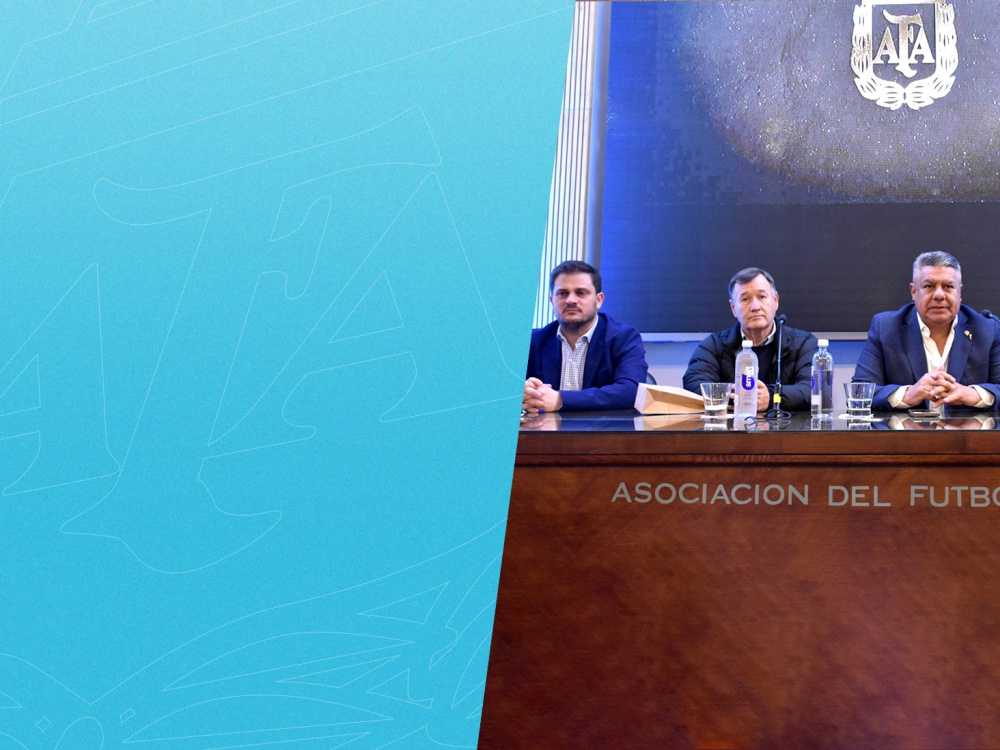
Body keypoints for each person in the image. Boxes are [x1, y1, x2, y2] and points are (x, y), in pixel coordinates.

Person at [853, 251, 1000, 411]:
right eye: (929, 286)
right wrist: (907, 394)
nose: (939, 295)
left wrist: (973, 394)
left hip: (967, 428)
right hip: (908, 428)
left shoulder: (987, 329)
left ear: (959, 292)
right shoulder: (886, 328)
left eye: (948, 286)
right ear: (913, 291)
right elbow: (859, 393)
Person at [682, 267, 818, 412]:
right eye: (745, 299)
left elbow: (813, 388)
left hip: (788, 426)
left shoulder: (804, 343)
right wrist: (737, 396)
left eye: (762, 297)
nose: (755, 307)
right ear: (733, 308)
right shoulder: (714, 345)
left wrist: (772, 397)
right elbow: (694, 383)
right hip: (734, 425)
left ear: (775, 301)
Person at [523, 260, 648, 412]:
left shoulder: (623, 338)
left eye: (581, 293)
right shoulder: (534, 341)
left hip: (601, 427)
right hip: (544, 427)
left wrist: (561, 400)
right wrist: (523, 394)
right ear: (552, 301)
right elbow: (505, 390)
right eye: (562, 293)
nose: (570, 300)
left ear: (598, 300)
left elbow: (630, 391)